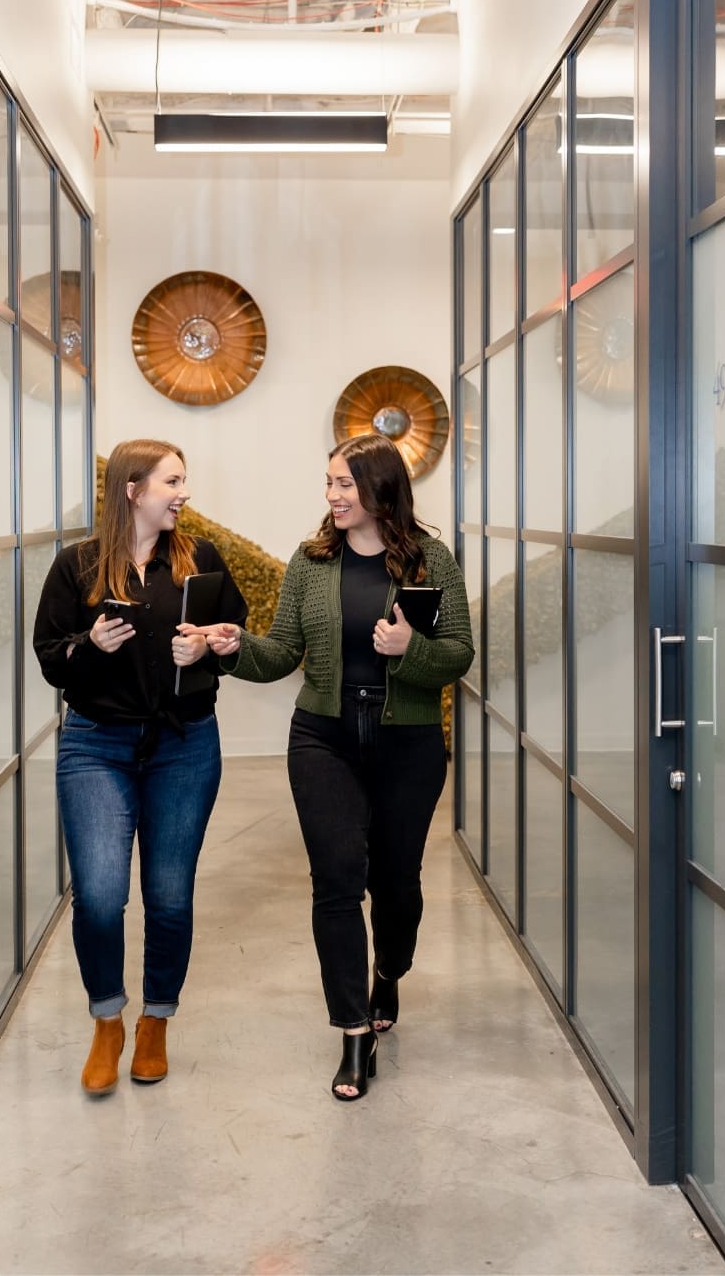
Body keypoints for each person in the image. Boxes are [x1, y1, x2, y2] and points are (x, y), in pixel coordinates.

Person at [204, 432, 474, 1101]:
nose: (332, 494)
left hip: (408, 744)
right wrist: (235, 648)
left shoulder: (431, 559)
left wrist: (410, 648)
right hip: (322, 738)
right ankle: (354, 1032)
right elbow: (281, 652)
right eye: (329, 482)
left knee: (396, 883)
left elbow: (460, 653)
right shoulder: (312, 560)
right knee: (336, 879)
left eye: (344, 483)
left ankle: (389, 972)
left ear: (381, 488)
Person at [33, 438, 246, 1096]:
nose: (183, 493)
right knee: (99, 896)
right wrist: (90, 644)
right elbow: (50, 656)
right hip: (96, 746)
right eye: (172, 481)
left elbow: (233, 633)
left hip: (185, 746)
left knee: (169, 894)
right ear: (133, 489)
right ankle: (107, 1020)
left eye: (183, 481)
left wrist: (210, 644)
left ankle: (155, 1019)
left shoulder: (200, 560)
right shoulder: (77, 565)